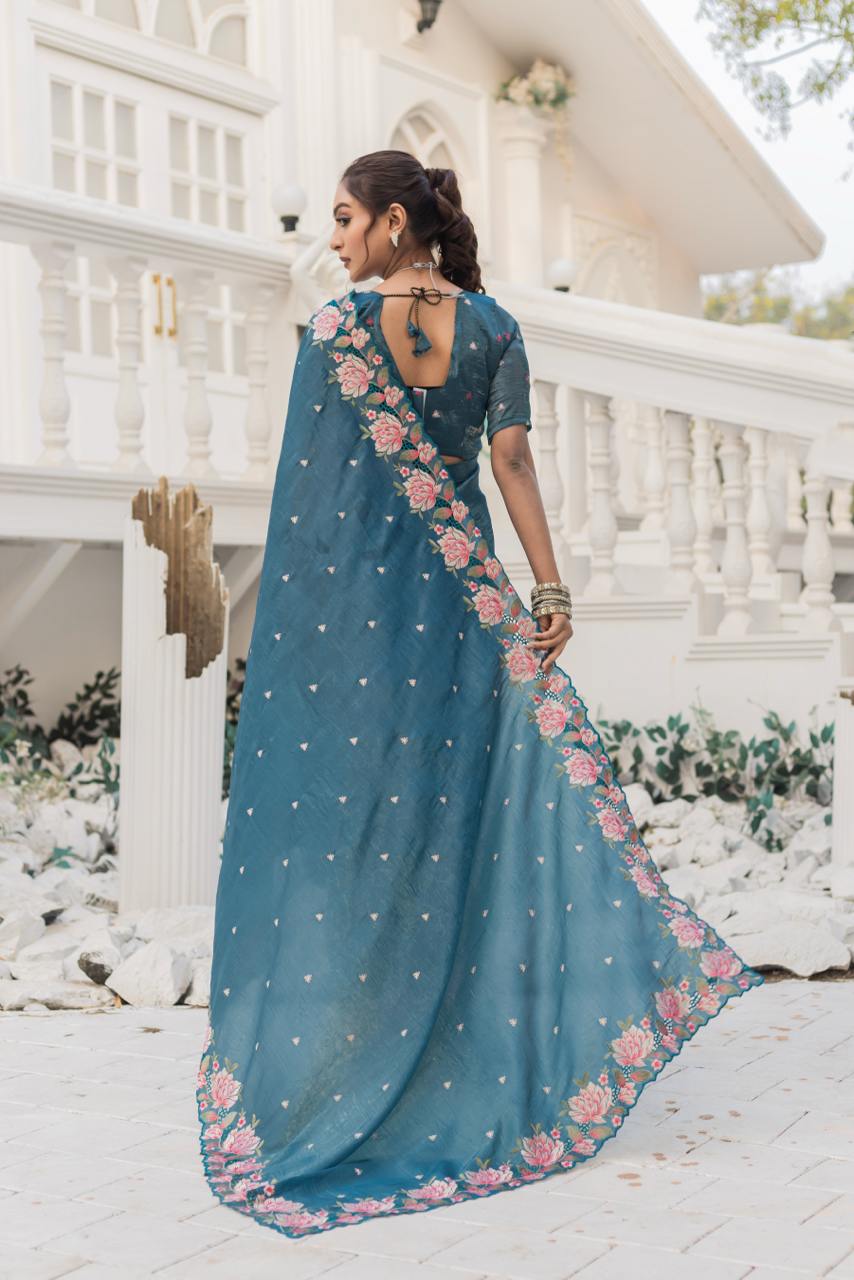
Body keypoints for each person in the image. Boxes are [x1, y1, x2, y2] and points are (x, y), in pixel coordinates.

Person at [196, 149, 765, 1239]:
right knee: (452, 821)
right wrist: (548, 588)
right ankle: (443, 1047)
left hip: (365, 623)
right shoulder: (494, 327)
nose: (335, 240)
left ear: (393, 221)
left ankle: (359, 1057)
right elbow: (511, 463)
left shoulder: (336, 333)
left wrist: (302, 646)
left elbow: (311, 516)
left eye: (346, 219)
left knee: (364, 829)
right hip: (463, 613)